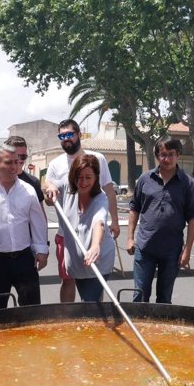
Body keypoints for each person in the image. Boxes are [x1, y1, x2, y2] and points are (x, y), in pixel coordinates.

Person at [45, 119, 120, 302]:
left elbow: (107, 195)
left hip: (93, 234)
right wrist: (49, 190)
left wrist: (115, 222)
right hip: (67, 234)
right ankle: (68, 319)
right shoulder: (56, 165)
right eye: (62, 136)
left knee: (94, 284)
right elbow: (48, 186)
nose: (66, 139)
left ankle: (95, 316)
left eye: (69, 134)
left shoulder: (97, 159)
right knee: (68, 280)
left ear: (79, 134)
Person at [0, 145, 49, 308]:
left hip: (24, 260)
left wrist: (42, 250)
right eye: (8, 163)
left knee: (32, 310)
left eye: (17, 162)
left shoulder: (28, 190)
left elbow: (38, 221)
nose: (14, 167)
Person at [126, 137, 194, 303]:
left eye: (171, 154)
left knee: (164, 298)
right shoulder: (145, 179)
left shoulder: (187, 183)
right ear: (157, 156)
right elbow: (134, 208)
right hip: (145, 248)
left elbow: (193, 218)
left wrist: (187, 250)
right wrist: (130, 238)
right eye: (163, 155)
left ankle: (159, 329)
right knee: (139, 295)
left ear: (178, 154)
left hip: (172, 251)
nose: (167, 159)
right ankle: (138, 327)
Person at [4, 135, 45, 210]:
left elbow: (40, 215)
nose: (18, 160)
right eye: (16, 156)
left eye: (23, 156)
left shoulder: (34, 182)